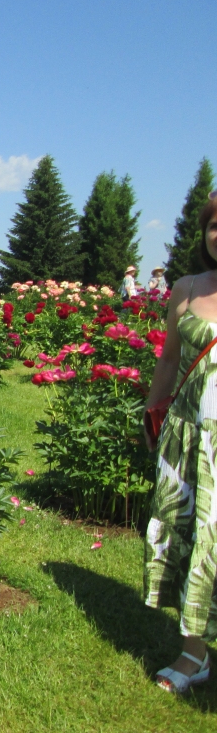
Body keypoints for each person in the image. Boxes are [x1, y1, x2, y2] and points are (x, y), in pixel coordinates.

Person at [142, 195, 217, 694]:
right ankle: (195, 656)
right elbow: (169, 359)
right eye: (215, 227)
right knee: (193, 541)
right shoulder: (188, 289)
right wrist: (151, 415)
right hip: (190, 436)